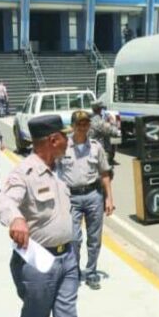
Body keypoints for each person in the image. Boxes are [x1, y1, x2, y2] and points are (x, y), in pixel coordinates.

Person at [0, 115, 77, 317]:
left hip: (68, 257)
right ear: (53, 140)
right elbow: (4, 202)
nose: (68, 141)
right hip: (39, 262)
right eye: (65, 137)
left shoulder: (61, 168)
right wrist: (16, 218)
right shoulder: (24, 173)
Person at [57, 110, 114, 290]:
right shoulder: (63, 147)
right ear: (73, 126)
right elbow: (54, 173)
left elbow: (104, 173)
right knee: (73, 238)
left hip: (93, 195)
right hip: (71, 197)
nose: (83, 127)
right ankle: (73, 272)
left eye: (85, 123)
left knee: (94, 238)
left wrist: (109, 198)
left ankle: (91, 272)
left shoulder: (96, 147)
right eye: (79, 124)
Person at [88, 101, 120, 165]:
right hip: (98, 151)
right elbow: (114, 132)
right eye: (102, 109)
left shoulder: (89, 118)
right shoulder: (98, 121)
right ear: (99, 109)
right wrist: (113, 123)